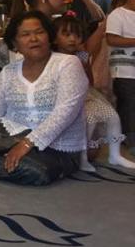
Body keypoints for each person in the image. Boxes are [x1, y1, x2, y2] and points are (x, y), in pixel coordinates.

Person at [0, 11, 88, 185]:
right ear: (15, 43)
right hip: (12, 135)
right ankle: (11, 163)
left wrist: (26, 144)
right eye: (25, 34)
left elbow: (64, 113)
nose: (34, 39)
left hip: (57, 145)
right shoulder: (9, 72)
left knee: (37, 172)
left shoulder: (67, 64)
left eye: (39, 32)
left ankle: (10, 162)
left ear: (49, 36)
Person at [53, 14, 135, 170]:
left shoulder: (81, 55)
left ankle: (115, 155)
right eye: (67, 34)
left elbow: (89, 79)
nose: (73, 39)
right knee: (89, 119)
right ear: (55, 39)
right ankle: (82, 158)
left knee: (112, 116)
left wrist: (85, 69)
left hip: (86, 93)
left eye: (77, 35)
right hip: (67, 98)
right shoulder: (53, 58)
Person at [106, 0, 135, 148]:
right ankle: (130, 139)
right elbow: (112, 39)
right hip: (124, 71)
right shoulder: (118, 15)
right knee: (128, 104)